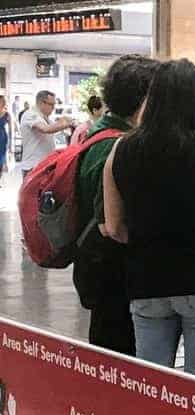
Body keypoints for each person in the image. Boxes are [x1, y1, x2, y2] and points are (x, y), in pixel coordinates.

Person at [103, 60, 195, 381]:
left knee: (153, 385)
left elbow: (114, 227)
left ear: (153, 99)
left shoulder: (120, 148)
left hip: (147, 284)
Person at [73, 56, 158, 356]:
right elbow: (110, 224)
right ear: (145, 99)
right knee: (120, 357)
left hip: (97, 268)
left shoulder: (97, 135)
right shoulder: (117, 146)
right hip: (113, 272)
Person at [18, 90, 75, 176]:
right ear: (42, 103)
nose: (53, 108)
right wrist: (66, 124)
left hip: (44, 166)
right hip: (33, 166)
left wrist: (65, 122)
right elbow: (46, 129)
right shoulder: (30, 114)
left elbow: (54, 127)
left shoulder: (45, 118)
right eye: (51, 104)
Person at [0, 97, 10, 183]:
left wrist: (11, 145)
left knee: (1, 158)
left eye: (3, 101)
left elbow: (11, 129)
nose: (3, 103)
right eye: (1, 101)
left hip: (2, 137)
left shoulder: (7, 114)